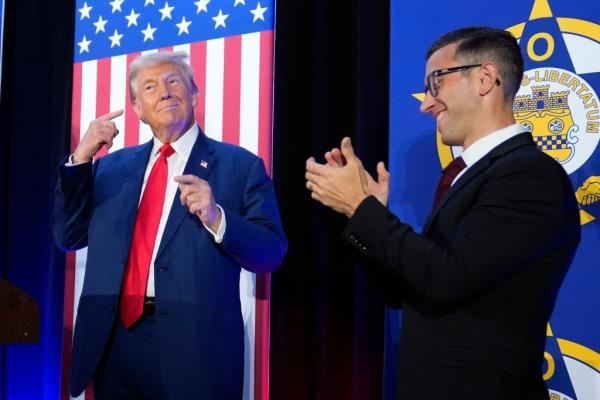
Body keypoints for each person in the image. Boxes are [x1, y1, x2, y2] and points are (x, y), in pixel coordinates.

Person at [305, 27, 580, 399]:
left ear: (485, 78)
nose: (425, 103)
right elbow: (410, 287)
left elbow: (446, 278)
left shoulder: (529, 176)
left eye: (436, 82)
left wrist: (362, 208)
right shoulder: (471, 176)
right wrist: (365, 213)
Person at [53, 51, 287, 399]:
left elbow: (270, 252)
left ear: (193, 95)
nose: (163, 91)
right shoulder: (109, 168)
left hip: (194, 349)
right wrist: (80, 160)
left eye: (173, 81)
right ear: (137, 108)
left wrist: (218, 217)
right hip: (112, 344)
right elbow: (68, 236)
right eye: (150, 87)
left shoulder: (240, 166)